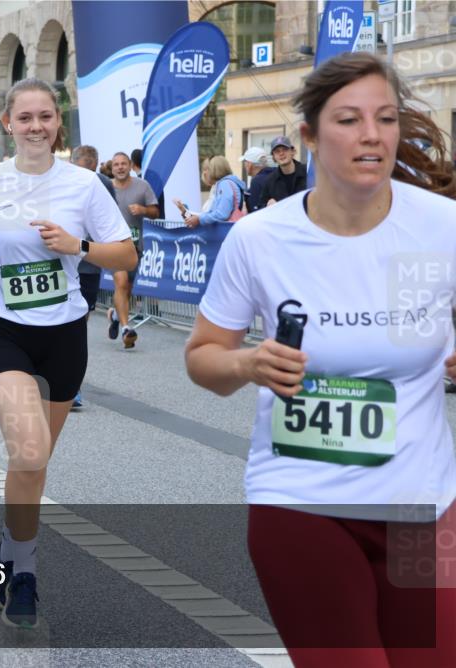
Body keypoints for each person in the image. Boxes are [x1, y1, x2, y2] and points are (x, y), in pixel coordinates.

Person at [185, 52, 456, 667]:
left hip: (421, 505)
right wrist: (249, 365)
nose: (371, 134)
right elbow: (202, 357)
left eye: (386, 119)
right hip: (302, 503)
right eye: (350, 119)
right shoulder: (261, 238)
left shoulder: (444, 227)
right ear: (308, 136)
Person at [0, 78, 136, 629]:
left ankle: (9, 546)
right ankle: (25, 570)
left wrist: (77, 246)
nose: (35, 126)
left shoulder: (83, 184)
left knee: (33, 463)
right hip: (3, 330)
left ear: (59, 122)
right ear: (7, 123)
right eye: (25, 117)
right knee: (29, 454)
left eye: (45, 117)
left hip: (64, 335)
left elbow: (125, 252)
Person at [70, 144, 117, 407]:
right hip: (87, 262)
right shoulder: (102, 182)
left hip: (74, 261)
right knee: (77, 324)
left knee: (65, 323)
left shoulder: (62, 179)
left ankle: (67, 384)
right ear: (96, 161)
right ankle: (71, 386)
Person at [106, 151, 159, 350]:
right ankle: (126, 329)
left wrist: (144, 210)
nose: (120, 167)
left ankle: (114, 314)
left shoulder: (142, 186)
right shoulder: (106, 187)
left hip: (135, 247)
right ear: (111, 169)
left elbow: (156, 212)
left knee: (127, 288)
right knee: (121, 283)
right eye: (116, 165)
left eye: (123, 164)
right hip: (113, 246)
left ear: (130, 166)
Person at [179, 156, 247, 229]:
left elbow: (222, 214)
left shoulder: (224, 184)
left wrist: (199, 219)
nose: (206, 172)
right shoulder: (226, 184)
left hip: (225, 230)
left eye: (208, 169)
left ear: (214, 169)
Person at [260, 135, 307, 206]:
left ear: (292, 152)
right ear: (273, 157)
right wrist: (267, 205)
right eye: (277, 151)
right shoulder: (270, 181)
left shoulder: (308, 173)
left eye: (285, 149)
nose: (281, 154)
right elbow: (261, 206)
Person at [240, 146, 276, 213]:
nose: (244, 165)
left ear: (249, 164)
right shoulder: (275, 174)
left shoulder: (257, 181)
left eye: (245, 162)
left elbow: (255, 211)